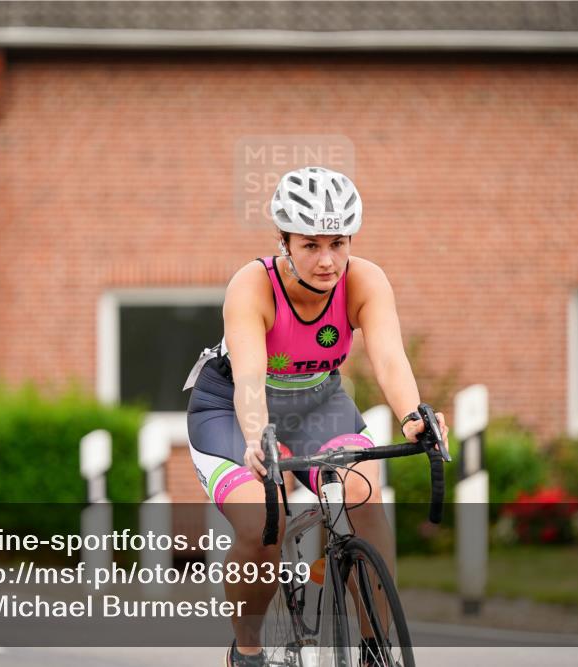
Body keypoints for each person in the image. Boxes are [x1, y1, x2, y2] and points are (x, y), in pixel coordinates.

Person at [184, 166, 450, 667]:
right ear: (283, 240)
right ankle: (246, 651)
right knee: (264, 517)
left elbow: (390, 359)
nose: (328, 260)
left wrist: (413, 416)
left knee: (363, 490)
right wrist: (255, 438)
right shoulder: (252, 285)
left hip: (317, 403)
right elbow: (247, 379)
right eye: (310, 245)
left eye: (338, 242)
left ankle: (375, 648)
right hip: (231, 407)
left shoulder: (365, 280)